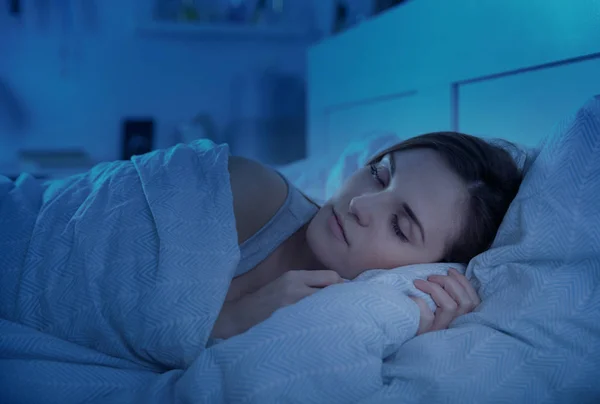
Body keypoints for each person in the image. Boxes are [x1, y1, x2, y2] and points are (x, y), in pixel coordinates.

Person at [211, 132, 523, 340]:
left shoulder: (360, 322)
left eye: (399, 227)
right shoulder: (238, 189)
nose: (359, 204)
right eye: (378, 175)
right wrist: (234, 319)